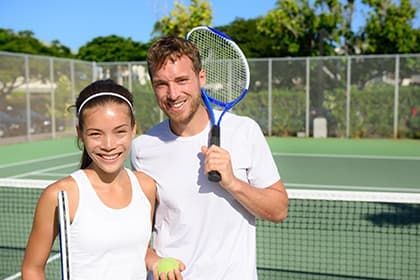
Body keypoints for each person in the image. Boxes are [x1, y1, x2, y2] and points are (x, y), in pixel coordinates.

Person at [131, 36, 288, 280]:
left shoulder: (244, 131)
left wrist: (233, 182)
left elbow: (279, 210)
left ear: (201, 78)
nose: (172, 94)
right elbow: (136, 234)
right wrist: (155, 261)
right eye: (161, 84)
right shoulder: (143, 148)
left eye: (182, 80)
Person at [21, 79, 157, 280]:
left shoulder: (146, 187)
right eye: (96, 134)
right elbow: (32, 269)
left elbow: (137, 249)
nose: (108, 144)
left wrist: (155, 260)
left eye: (120, 131)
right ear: (81, 134)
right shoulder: (61, 195)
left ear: (133, 129)